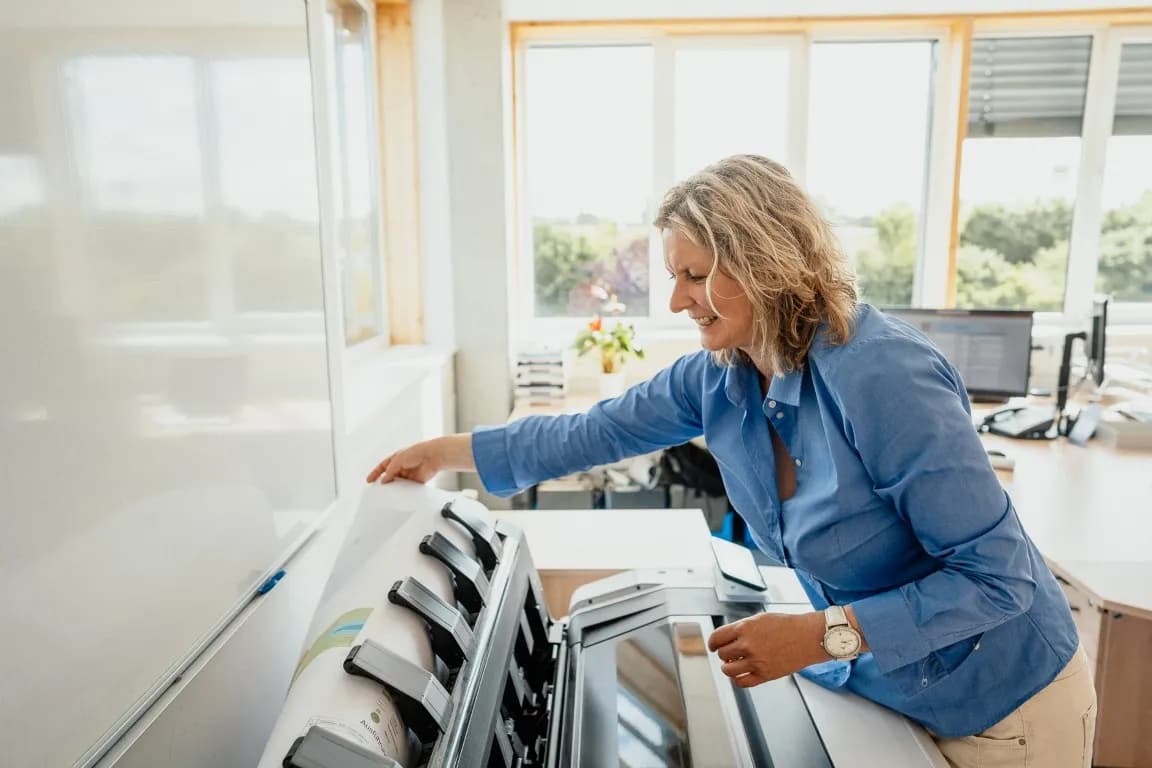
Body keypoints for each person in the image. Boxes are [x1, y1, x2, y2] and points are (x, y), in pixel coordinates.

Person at [367, 155, 1095, 768]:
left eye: (692, 274)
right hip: (886, 684)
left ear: (762, 261)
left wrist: (816, 635)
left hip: (1004, 707)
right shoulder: (721, 376)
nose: (677, 299)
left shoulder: (883, 376)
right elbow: (589, 433)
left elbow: (997, 579)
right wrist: (445, 453)